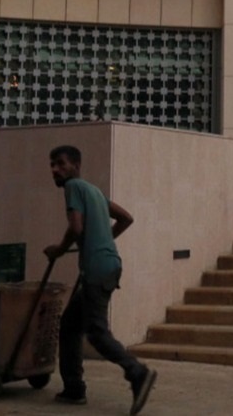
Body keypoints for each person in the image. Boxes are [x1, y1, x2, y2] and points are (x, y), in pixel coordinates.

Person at [43, 144, 157, 414]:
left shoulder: (73, 187)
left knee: (96, 332)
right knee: (70, 325)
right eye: (52, 165)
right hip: (108, 266)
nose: (55, 170)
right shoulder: (93, 191)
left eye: (60, 164)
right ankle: (74, 389)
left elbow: (76, 227)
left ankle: (137, 372)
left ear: (76, 166)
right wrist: (103, 240)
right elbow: (126, 218)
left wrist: (59, 250)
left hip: (97, 269)